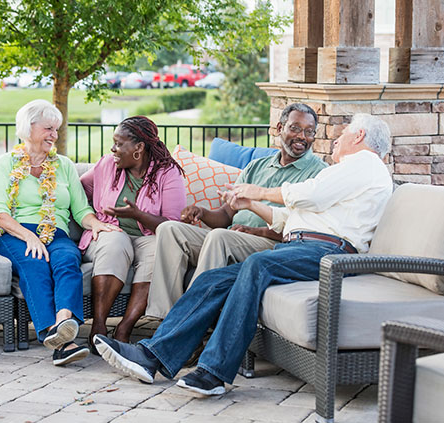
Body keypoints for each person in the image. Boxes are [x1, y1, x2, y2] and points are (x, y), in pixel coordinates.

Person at [94, 113, 394, 395]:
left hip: (330, 253)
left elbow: (310, 194)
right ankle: (153, 355)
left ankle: (214, 373)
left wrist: (258, 192)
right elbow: (292, 219)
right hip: (304, 245)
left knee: (257, 265)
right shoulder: (350, 177)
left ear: (360, 135)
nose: (335, 140)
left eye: (342, 134)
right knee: (213, 280)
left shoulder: (365, 163)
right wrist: (251, 204)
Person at [146, 103, 328, 319]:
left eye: (309, 132)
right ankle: (162, 318)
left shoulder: (319, 174)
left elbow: (307, 230)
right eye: (295, 128)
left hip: (273, 245)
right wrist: (201, 213)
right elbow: (225, 216)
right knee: (170, 230)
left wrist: (257, 231)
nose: (302, 137)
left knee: (220, 237)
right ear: (279, 128)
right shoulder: (257, 167)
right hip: (233, 236)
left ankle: (191, 320)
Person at [0, 99, 119, 366]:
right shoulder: (6, 163)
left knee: (67, 260)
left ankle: (62, 324)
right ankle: (61, 340)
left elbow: (81, 210)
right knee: (34, 263)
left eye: (57, 130)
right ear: (29, 127)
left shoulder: (63, 165)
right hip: (15, 232)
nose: (54, 135)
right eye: (48, 128)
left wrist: (96, 225)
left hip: (56, 231)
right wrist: (29, 236)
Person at [80, 116, 185, 349]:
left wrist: (138, 215)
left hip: (148, 235)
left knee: (160, 250)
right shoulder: (107, 164)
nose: (113, 148)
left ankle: (124, 329)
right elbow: (79, 190)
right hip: (110, 231)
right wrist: (90, 217)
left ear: (139, 148)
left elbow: (172, 226)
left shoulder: (167, 173)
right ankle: (98, 327)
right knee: (115, 242)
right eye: (114, 142)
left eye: (119, 143)